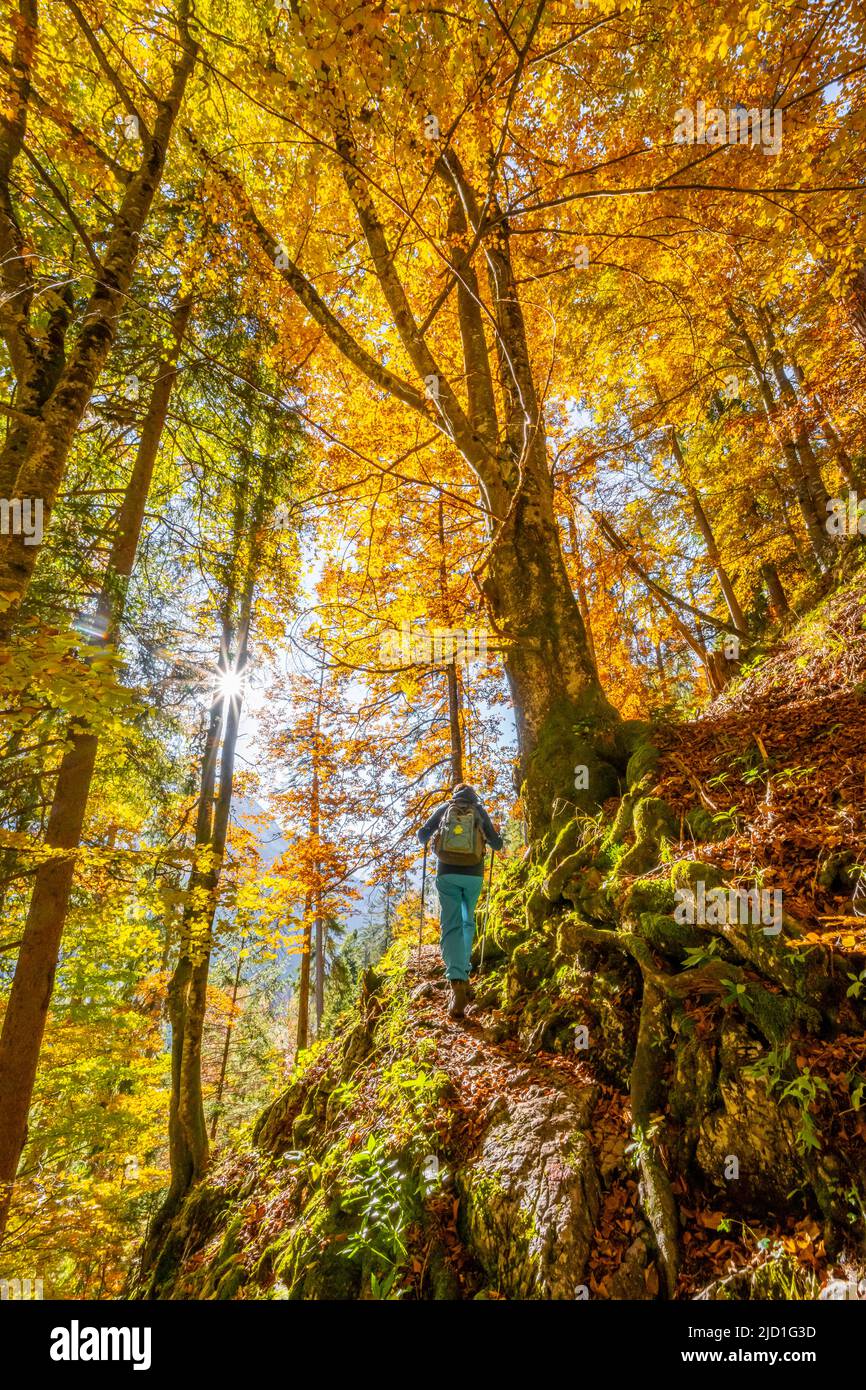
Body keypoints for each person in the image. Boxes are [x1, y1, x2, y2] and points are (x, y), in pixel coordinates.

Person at [418, 783, 503, 1019]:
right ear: (473, 796)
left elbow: (422, 835)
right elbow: (496, 844)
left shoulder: (445, 808)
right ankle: (463, 973)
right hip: (473, 876)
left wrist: (430, 835)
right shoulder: (479, 811)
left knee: (451, 924)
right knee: (467, 922)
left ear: (455, 795)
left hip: (447, 873)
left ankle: (457, 980)